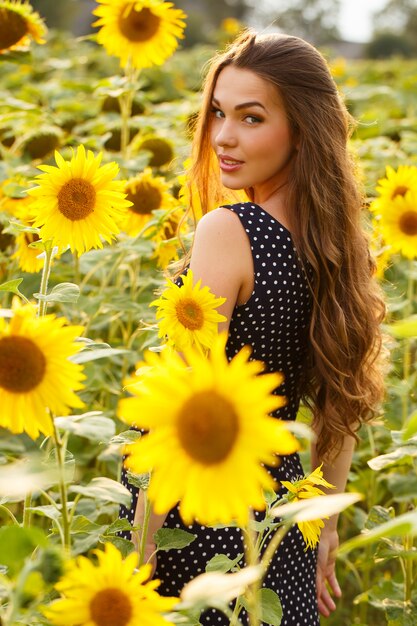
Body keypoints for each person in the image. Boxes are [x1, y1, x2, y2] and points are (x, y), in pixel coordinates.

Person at [119, 30, 385, 625]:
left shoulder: (229, 230)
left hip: (203, 526)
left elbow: (186, 408)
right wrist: (325, 538)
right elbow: (338, 414)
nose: (223, 137)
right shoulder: (338, 249)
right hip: (282, 532)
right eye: (217, 112)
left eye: (251, 117)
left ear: (303, 128)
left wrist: (136, 562)